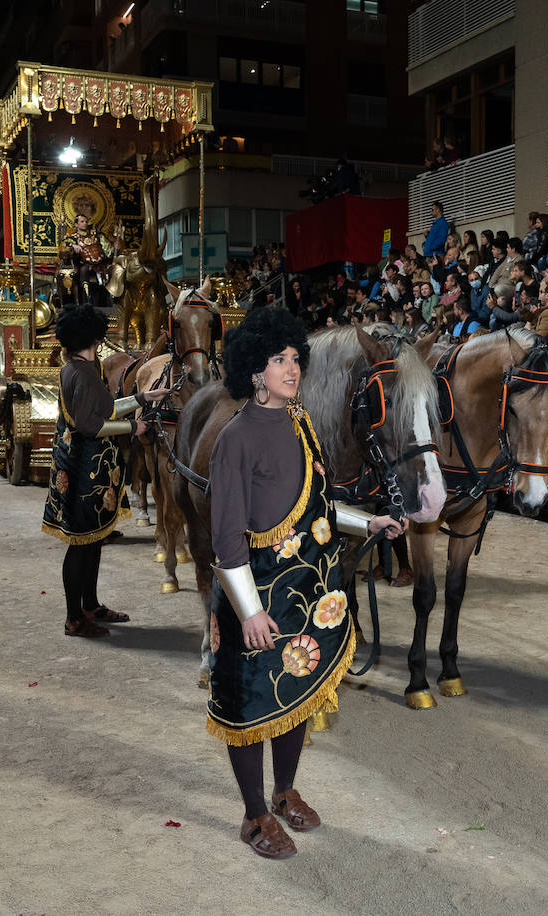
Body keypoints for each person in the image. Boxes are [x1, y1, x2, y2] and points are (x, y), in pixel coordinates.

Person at [206, 307, 404, 860]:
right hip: (256, 597)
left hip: (307, 590)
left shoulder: (302, 424)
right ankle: (253, 816)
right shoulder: (236, 439)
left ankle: (285, 788)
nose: (291, 369)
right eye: (278, 360)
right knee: (248, 710)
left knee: (297, 689)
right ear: (253, 370)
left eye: (295, 358)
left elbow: (318, 506)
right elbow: (225, 541)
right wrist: (247, 612)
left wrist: (370, 523)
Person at [42, 303, 171, 638]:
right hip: (85, 469)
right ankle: (75, 618)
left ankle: (90, 605)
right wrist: (132, 428)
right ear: (93, 338)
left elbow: (106, 407)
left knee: (93, 540)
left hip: (89, 467)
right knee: (82, 543)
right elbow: (91, 425)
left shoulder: (80, 366)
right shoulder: (82, 372)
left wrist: (143, 397)